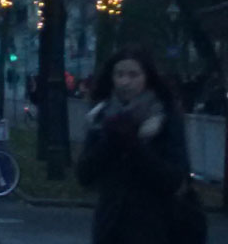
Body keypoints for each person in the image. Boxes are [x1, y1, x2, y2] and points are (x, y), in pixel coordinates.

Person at [76, 45, 195, 244]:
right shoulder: (100, 116)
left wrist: (135, 146)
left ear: (147, 77)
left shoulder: (164, 116)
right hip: (110, 227)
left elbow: (174, 179)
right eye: (119, 74)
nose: (125, 82)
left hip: (157, 227)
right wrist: (109, 141)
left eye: (133, 75)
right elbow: (84, 174)